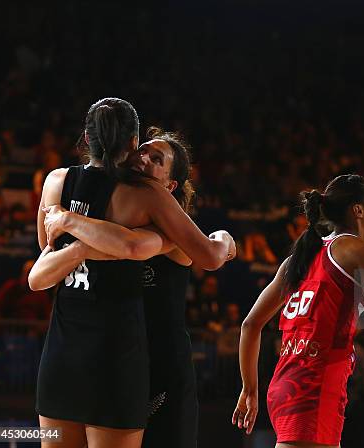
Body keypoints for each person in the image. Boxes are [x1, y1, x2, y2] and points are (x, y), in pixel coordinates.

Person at [34, 98, 235, 448]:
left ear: (86, 136)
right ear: (130, 144)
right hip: (119, 355)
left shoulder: (58, 182)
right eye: (143, 151)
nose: (143, 159)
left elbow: (48, 253)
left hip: (125, 355)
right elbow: (130, 247)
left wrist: (71, 224)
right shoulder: (144, 197)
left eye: (156, 159)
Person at [231, 174, 364, 448]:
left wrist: (249, 389)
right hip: (315, 386)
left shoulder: (298, 258)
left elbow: (250, 325)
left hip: (285, 383)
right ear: (358, 210)